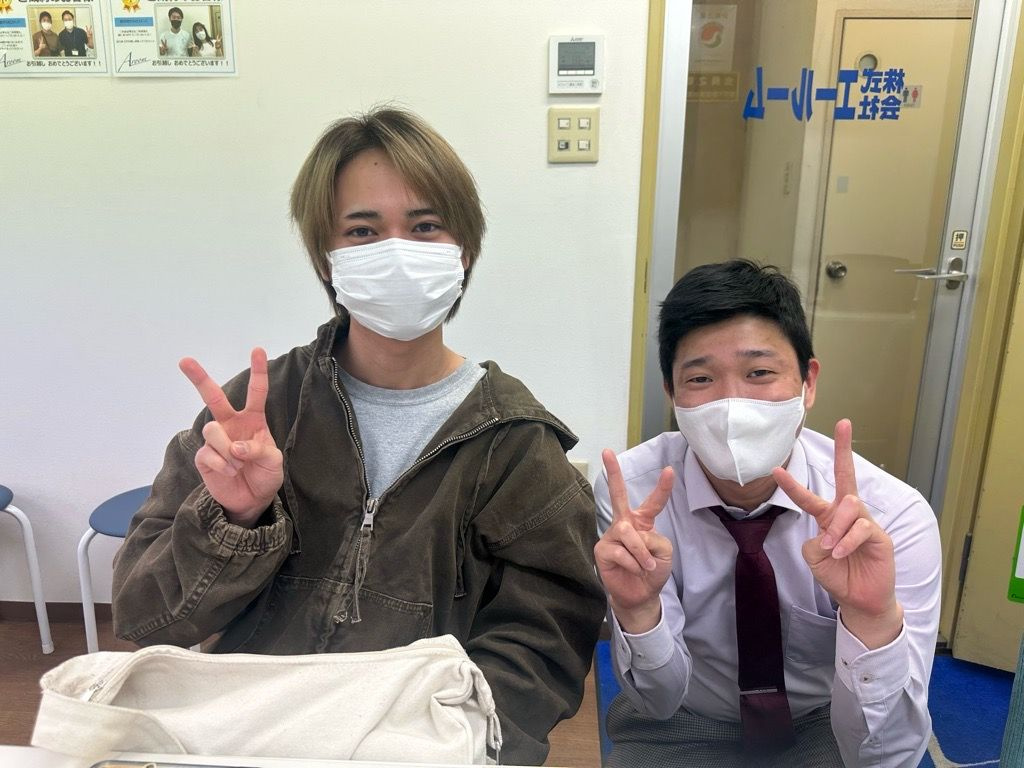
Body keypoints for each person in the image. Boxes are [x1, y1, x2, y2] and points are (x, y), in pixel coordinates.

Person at [111, 107, 606, 765]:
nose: (396, 251)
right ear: (328, 258)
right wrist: (234, 520)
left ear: (464, 250)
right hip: (246, 740)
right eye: (363, 231)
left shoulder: (516, 444)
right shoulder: (260, 412)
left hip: (422, 750)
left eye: (425, 227)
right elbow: (144, 616)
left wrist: (450, 739)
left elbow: (545, 645)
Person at [594, 259, 940, 767]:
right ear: (671, 394)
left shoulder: (891, 515)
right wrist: (639, 612)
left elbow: (886, 755)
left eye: (759, 373)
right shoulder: (635, 496)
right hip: (684, 718)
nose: (732, 403)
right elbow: (658, 701)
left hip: (825, 719)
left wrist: (871, 618)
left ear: (808, 382)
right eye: (700, 378)